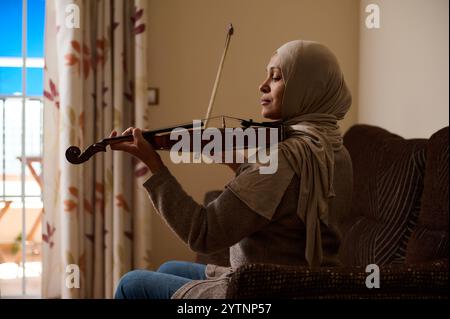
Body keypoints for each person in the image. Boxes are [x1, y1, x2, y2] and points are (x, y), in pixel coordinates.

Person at [112, 40, 353, 299]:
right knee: (169, 268)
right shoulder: (333, 147)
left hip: (259, 291)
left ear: (307, 87)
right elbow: (287, 201)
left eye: (276, 77)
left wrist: (154, 166)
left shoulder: (285, 157)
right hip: (303, 282)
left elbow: (203, 233)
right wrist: (240, 165)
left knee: (131, 284)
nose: (262, 85)